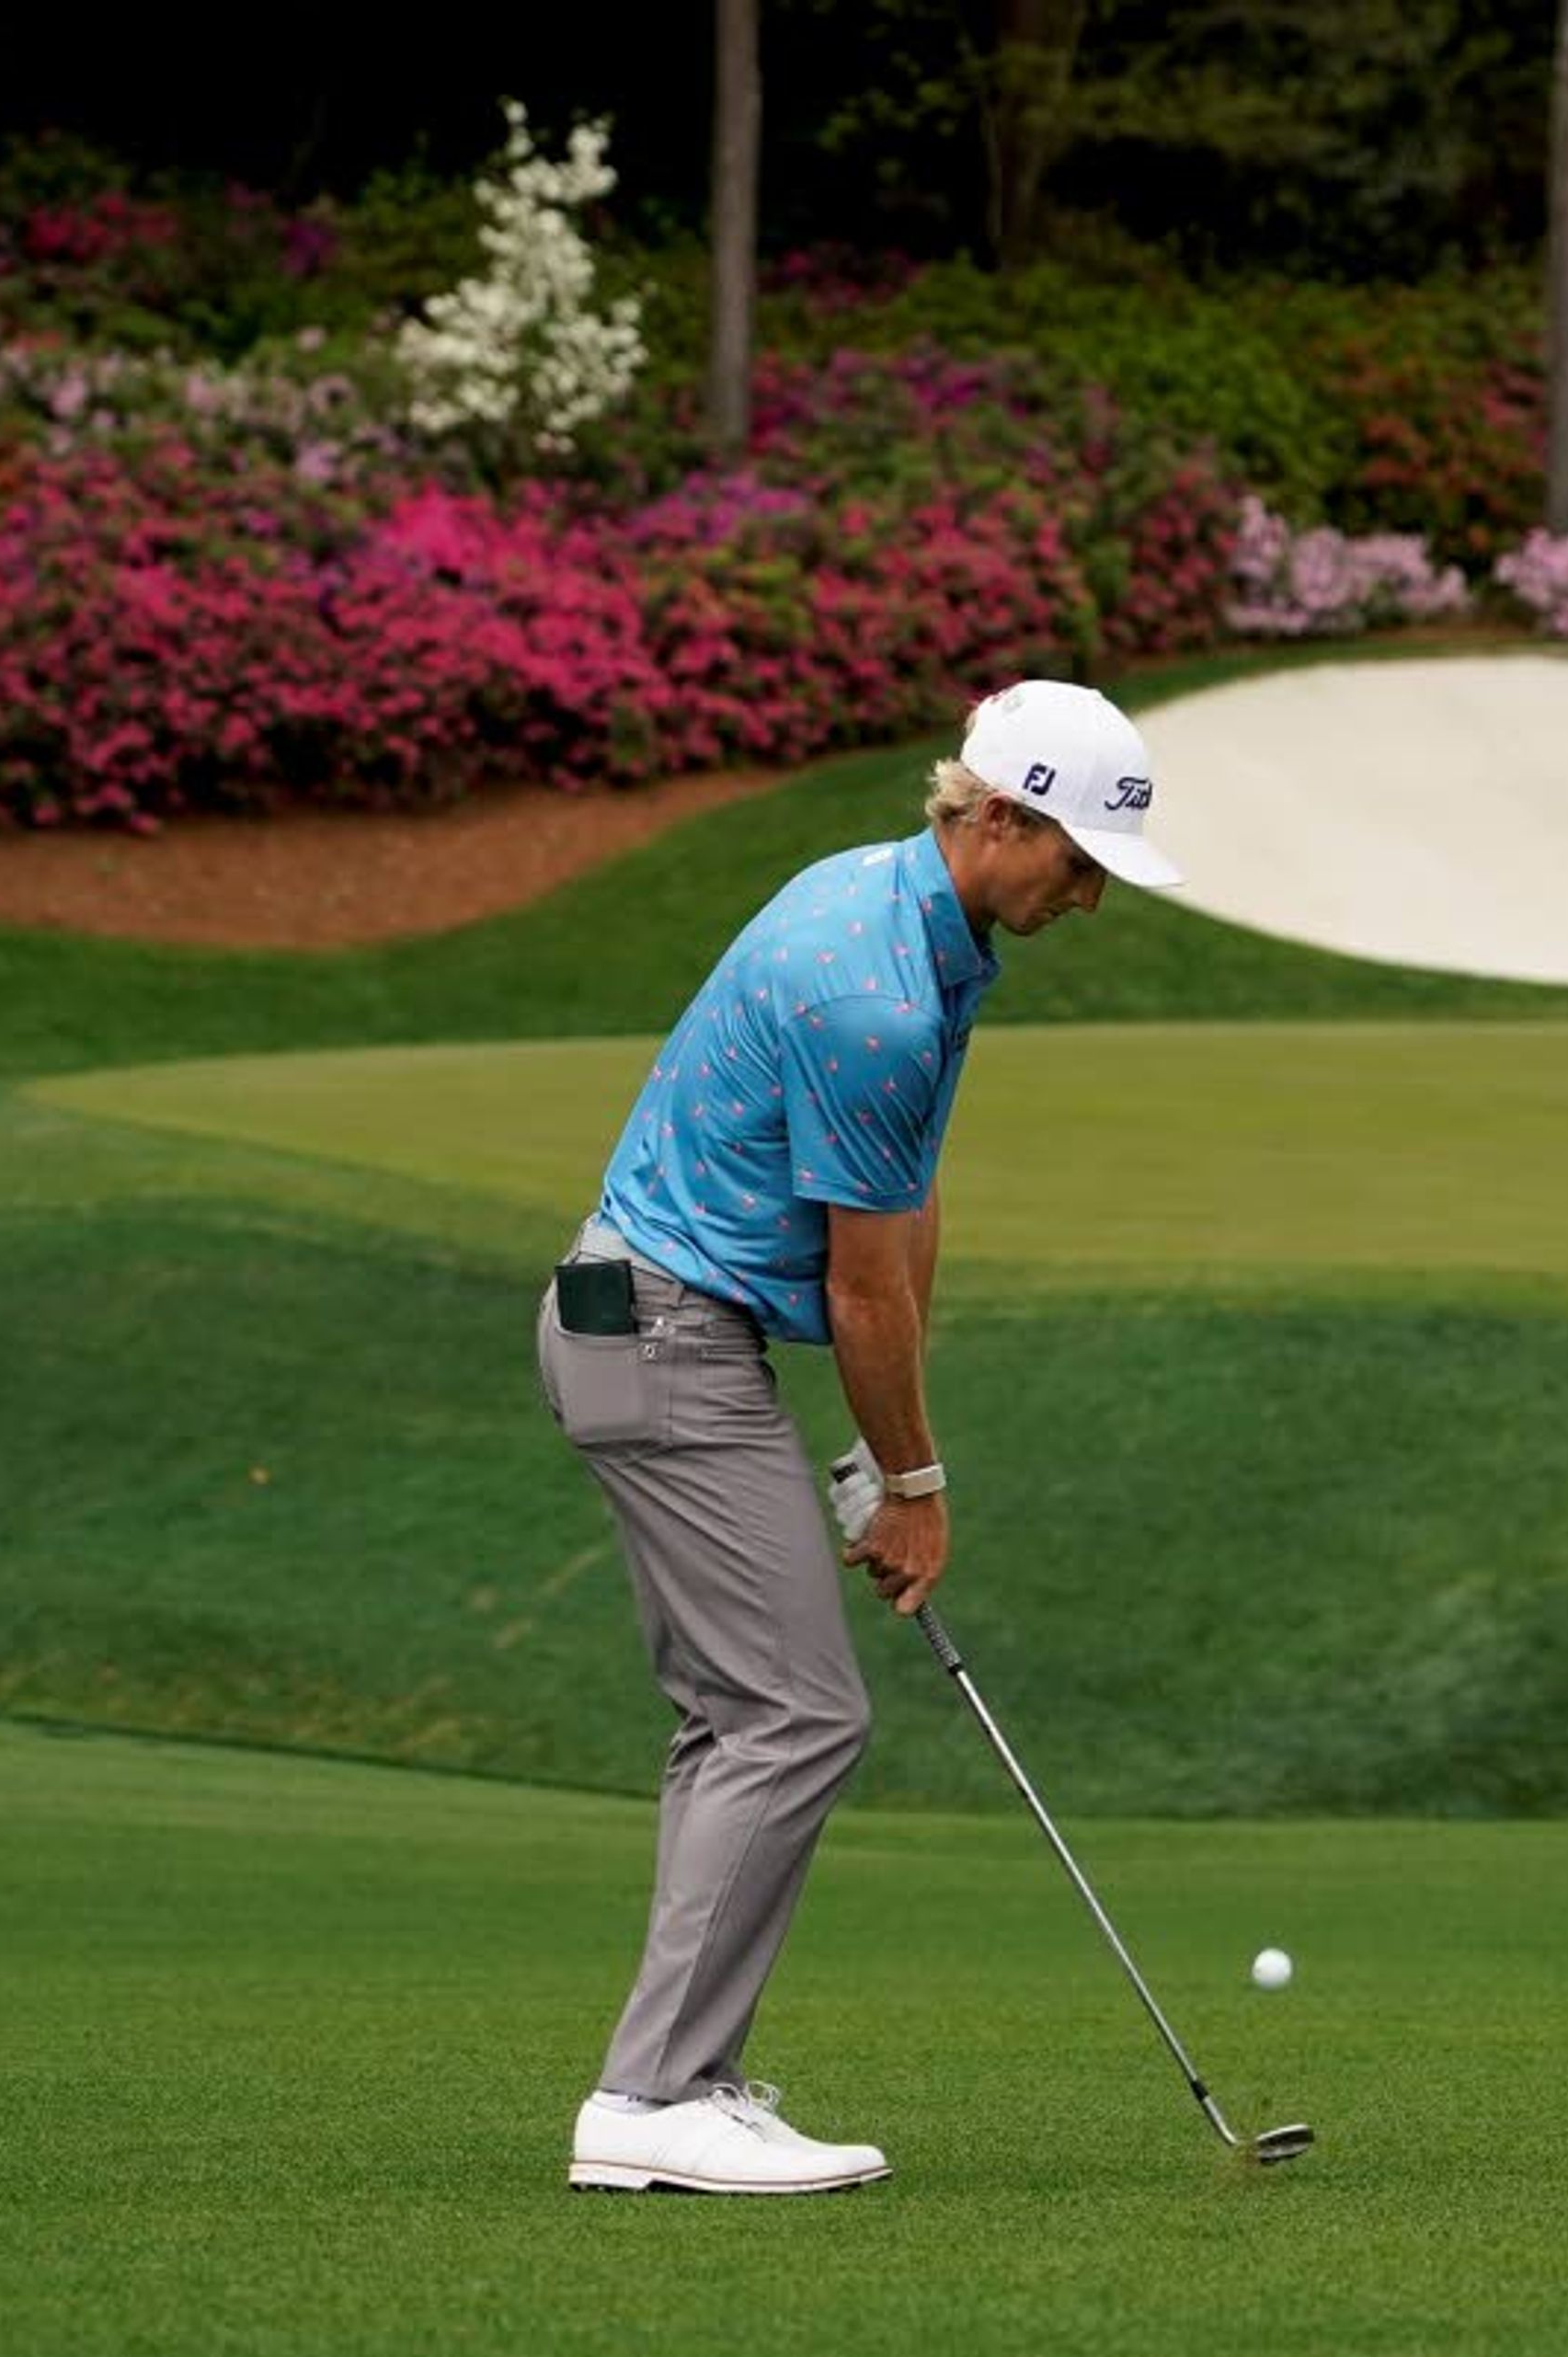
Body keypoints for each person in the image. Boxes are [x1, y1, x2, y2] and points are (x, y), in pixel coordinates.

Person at [539, 680, 1182, 2195]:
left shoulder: (905, 912)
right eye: (1077, 859)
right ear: (1001, 818)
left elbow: (902, 1220)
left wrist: (886, 1445)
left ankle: (674, 2083)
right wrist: (912, 1483)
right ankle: (649, 2103)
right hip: (663, 1334)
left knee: (740, 1715)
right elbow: (860, 1283)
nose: (1088, 895)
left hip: (650, 1322)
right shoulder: (876, 995)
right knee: (797, 1717)